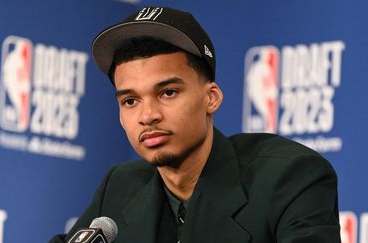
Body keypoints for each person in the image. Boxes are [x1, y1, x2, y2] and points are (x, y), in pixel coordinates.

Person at [50, 6, 340, 243]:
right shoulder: (120, 186)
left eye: (168, 93)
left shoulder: (289, 177)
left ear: (211, 98)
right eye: (130, 101)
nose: (147, 115)